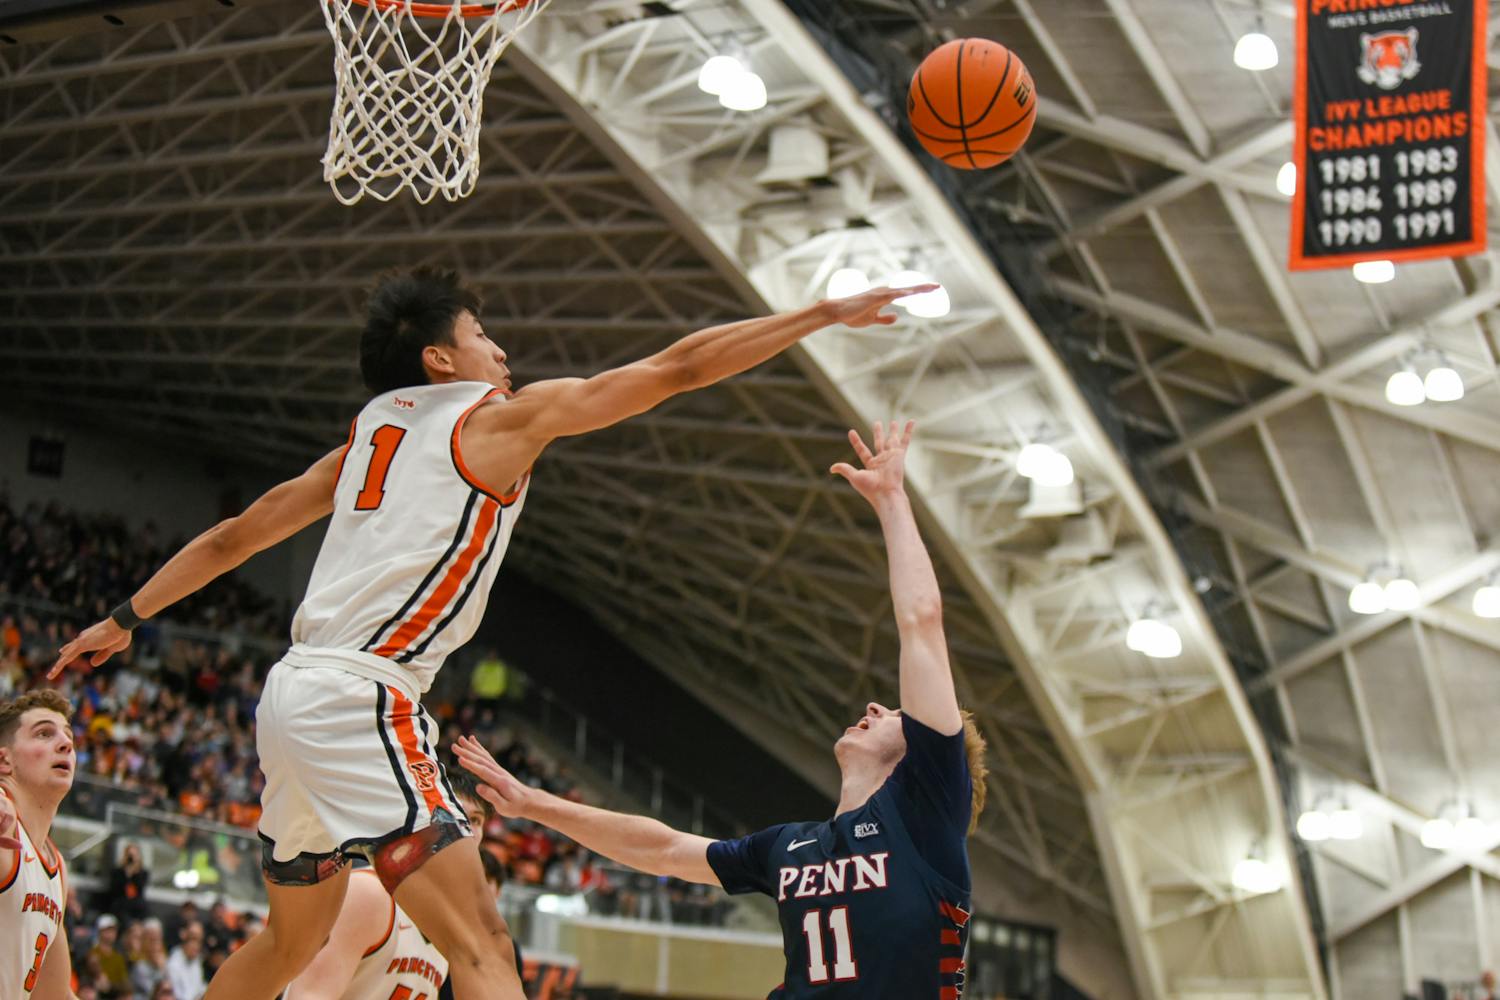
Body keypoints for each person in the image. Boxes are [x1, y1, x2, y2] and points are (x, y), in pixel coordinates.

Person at [49, 267, 922, 1000]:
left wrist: (125, 620)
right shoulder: (494, 421)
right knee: (483, 945)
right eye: (481, 334)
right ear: (439, 359)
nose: (501, 350)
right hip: (362, 696)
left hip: (288, 695)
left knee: (289, 942)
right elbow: (677, 368)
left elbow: (234, 536)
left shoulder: (364, 442)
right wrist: (818, 314)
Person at [457, 421, 988, 998]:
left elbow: (921, 624)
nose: (876, 705)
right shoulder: (791, 847)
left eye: (896, 714)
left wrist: (892, 501)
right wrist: (533, 803)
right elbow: (661, 848)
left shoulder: (926, 815)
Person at [285, 773, 518, 999]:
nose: (466, 829)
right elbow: (309, 994)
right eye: (455, 813)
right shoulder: (369, 893)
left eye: (475, 820)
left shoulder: (449, 926)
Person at [0, 689, 77, 999]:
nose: (65, 743)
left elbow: (55, 994)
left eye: (69, 736)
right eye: (44, 733)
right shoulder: (5, 827)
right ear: (3, 760)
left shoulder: (56, 868)